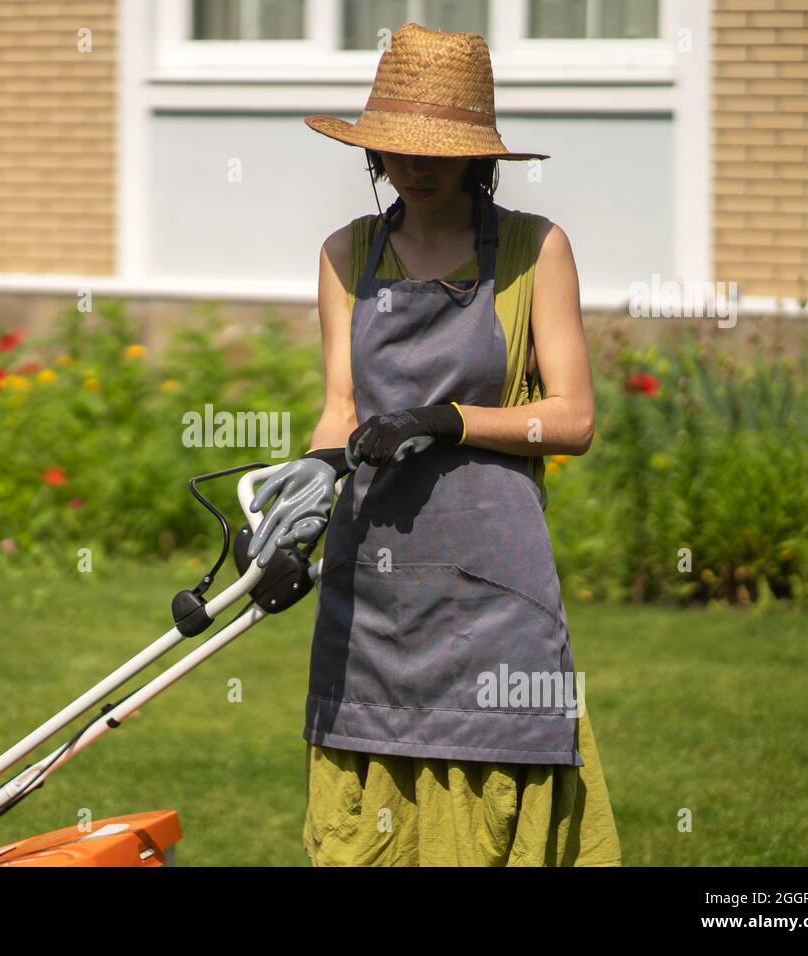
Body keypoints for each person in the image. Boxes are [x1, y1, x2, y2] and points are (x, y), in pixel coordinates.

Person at [246, 24, 621, 866]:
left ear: (476, 155)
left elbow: (573, 420)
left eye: (438, 150)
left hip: (497, 581)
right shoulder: (347, 254)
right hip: (372, 584)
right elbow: (341, 409)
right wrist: (296, 505)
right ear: (374, 148)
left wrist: (449, 419)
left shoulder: (533, 249)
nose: (416, 166)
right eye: (398, 148)